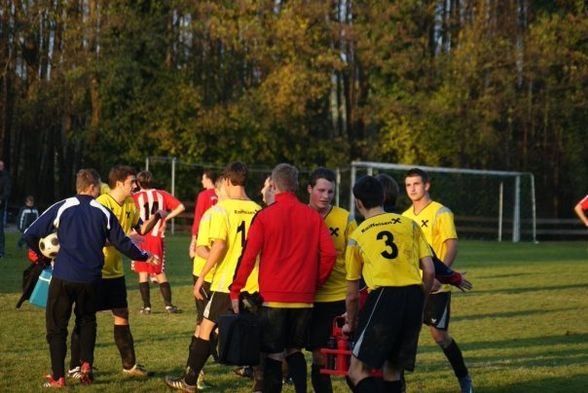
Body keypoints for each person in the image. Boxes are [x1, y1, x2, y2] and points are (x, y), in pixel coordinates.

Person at [22, 168, 158, 388]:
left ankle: (58, 377)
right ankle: (86, 364)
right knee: (87, 321)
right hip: (92, 279)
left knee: (57, 327)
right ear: (94, 187)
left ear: (78, 186)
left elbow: (29, 233)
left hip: (64, 276)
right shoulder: (102, 210)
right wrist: (145, 256)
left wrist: (42, 258)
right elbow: (123, 242)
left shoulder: (63, 206)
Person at [230, 163, 337, 393]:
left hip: (273, 299)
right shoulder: (313, 216)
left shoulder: (265, 216)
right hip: (304, 298)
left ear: (275, 185)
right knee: (295, 351)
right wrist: (316, 282)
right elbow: (329, 254)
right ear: (297, 186)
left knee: (274, 354)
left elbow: (248, 257)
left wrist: (236, 289)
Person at [165, 161, 261, 392]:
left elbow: (218, 246)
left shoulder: (221, 210)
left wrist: (201, 278)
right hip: (256, 283)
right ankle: (260, 385)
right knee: (257, 333)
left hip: (227, 283)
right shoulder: (259, 209)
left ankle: (188, 381)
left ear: (227, 181)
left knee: (205, 330)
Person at [68, 165, 162, 379]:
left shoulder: (130, 203)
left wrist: (157, 217)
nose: (135, 186)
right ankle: (77, 366)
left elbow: (141, 229)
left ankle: (129, 365)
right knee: (85, 318)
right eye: (131, 182)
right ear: (119, 183)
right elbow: (96, 238)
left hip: (115, 272)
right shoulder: (101, 204)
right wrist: (125, 240)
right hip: (95, 271)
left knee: (122, 315)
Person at [343, 175, 434, 393]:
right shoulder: (409, 224)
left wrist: (353, 322)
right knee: (392, 370)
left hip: (384, 298)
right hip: (413, 296)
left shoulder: (357, 236)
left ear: (359, 203)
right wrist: (421, 297)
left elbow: (352, 294)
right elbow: (429, 270)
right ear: (383, 197)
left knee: (356, 372)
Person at [402, 168, 473, 393]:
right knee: (402, 335)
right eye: (408, 185)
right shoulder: (404, 217)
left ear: (427, 185)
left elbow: (451, 244)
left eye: (416, 184)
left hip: (436, 286)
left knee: (439, 335)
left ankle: (464, 379)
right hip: (412, 286)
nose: (412, 189)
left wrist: (441, 275)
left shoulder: (440, 212)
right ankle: (397, 385)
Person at [305, 167, 356, 393]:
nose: (326, 196)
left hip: (340, 297)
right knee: (318, 357)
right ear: (309, 189)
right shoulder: (300, 215)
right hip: (309, 298)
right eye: (321, 190)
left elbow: (357, 256)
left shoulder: (344, 218)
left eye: (330, 192)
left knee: (351, 359)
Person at [132, 170, 185, 314]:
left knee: (142, 272)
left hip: (140, 237)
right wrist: (165, 219)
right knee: (159, 271)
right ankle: (169, 305)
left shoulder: (134, 197)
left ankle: (147, 307)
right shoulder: (162, 194)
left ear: (138, 183)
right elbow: (181, 207)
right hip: (156, 237)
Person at [189, 169, 218, 258]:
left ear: (208, 180)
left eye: (203, 179)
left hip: (205, 235)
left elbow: (198, 217)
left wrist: (194, 238)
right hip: (218, 233)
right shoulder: (221, 194)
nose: (202, 181)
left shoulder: (203, 195)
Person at [0, 160, 11, 258]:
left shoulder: (6, 177)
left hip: (0, 206)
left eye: (1, 166)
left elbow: (7, 191)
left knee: (0, 229)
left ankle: (1, 252)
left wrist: (1, 199)